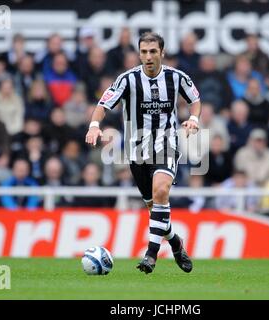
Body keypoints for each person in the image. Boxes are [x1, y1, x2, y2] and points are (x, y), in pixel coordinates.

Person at [85, 32, 200, 274]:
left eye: (153, 52)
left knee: (162, 191)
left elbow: (195, 99)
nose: (148, 57)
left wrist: (193, 118)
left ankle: (151, 255)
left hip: (166, 143)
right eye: (144, 52)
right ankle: (176, 242)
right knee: (156, 208)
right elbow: (103, 104)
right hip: (137, 152)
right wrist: (94, 126)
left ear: (162, 53)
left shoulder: (177, 77)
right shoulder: (127, 79)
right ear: (139, 54)